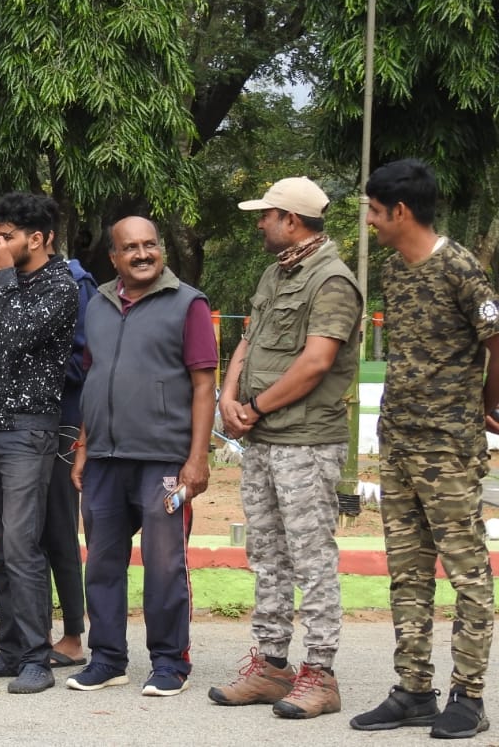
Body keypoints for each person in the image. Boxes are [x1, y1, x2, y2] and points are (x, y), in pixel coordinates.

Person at [349, 159, 499, 740]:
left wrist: (488, 406)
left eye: (374, 212)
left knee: (467, 573)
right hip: (400, 442)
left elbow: (495, 337)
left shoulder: (461, 267)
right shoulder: (393, 269)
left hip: (449, 447)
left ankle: (469, 694)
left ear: (400, 211)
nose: (371, 222)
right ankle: (414, 690)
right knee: (407, 573)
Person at [210, 178, 361, 718]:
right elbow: (248, 341)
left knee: (310, 557)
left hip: (305, 439)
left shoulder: (333, 281)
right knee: (268, 554)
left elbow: (317, 361)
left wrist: (256, 408)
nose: (260, 223)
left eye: (266, 215)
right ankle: (273, 667)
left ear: (292, 220)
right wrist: (229, 394)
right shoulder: (277, 273)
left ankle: (320, 674)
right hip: (266, 438)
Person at [69, 215, 217, 697]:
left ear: (161, 250)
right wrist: (85, 447)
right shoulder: (98, 306)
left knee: (165, 563)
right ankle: (107, 659)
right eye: (130, 247)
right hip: (106, 459)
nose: (142, 254)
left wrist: (197, 459)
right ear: (114, 257)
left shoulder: (188, 304)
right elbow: (94, 377)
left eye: (150, 244)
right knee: (103, 563)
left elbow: (203, 384)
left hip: (164, 460)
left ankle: (170, 662)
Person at [0, 191, 78, 695]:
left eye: (6, 236)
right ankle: (9, 649)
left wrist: (1, 275)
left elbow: (19, 332)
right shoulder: (8, 283)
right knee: (1, 546)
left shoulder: (59, 285)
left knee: (24, 545)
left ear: (39, 238)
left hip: (29, 428)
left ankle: (36, 658)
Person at [46, 251, 97, 668]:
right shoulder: (12, 281)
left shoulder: (72, 284)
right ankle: (31, 627)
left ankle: (72, 635)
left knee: (61, 528)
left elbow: (85, 360)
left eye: (9, 236)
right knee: (29, 533)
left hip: (63, 420)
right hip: (24, 424)